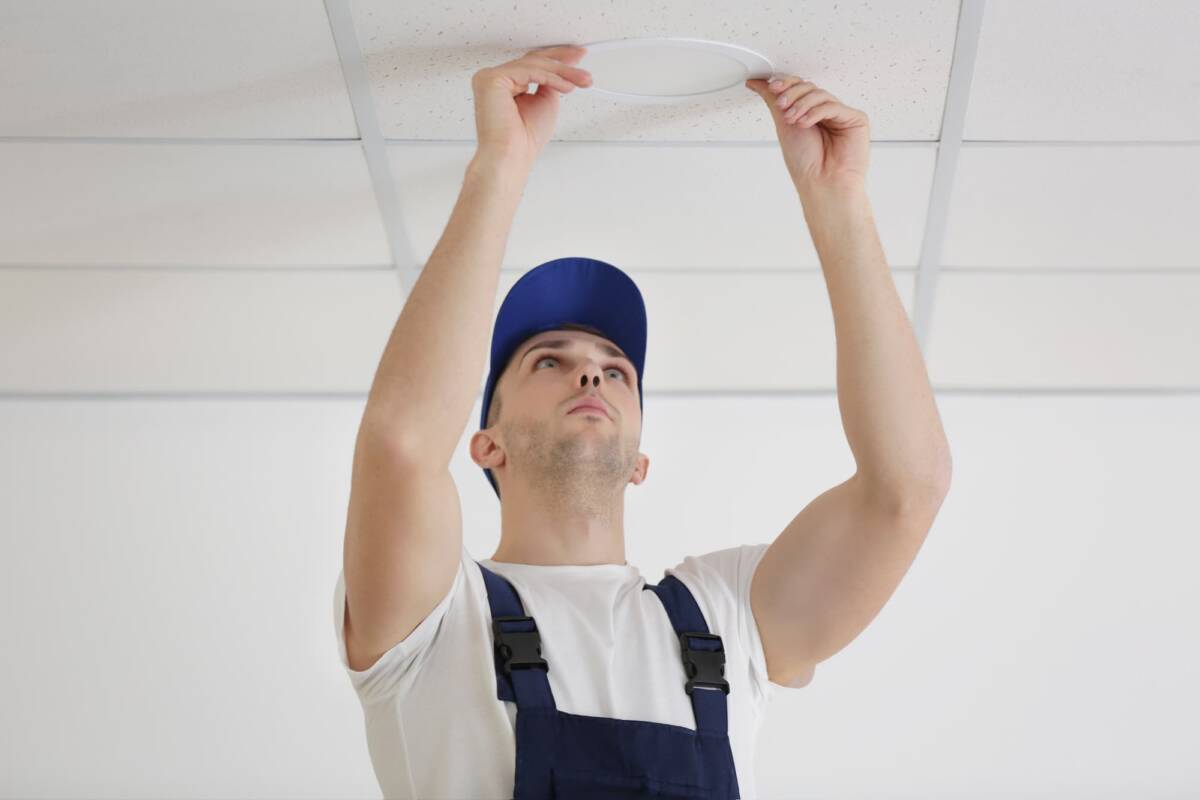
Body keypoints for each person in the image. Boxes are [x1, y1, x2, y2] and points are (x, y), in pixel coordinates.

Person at [335, 44, 952, 799]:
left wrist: (839, 201)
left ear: (639, 460)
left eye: (616, 371)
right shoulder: (436, 616)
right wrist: (500, 166)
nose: (590, 370)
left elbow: (908, 487)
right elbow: (401, 444)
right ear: (486, 445)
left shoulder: (725, 619)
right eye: (548, 361)